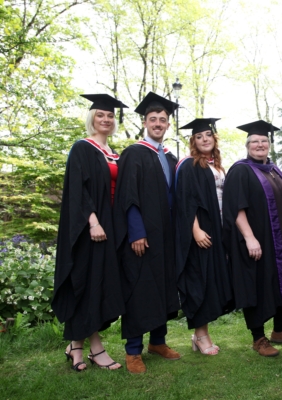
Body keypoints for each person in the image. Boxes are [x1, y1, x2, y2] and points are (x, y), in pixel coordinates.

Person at [52, 94, 127, 371]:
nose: (105, 119)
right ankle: (96, 349)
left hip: (109, 227)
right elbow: (78, 189)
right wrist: (93, 222)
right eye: (100, 115)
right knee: (87, 283)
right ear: (92, 119)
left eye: (110, 116)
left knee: (97, 284)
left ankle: (76, 346)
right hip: (89, 229)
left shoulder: (114, 153)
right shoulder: (82, 148)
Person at [222, 120, 282, 357]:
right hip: (258, 242)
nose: (260, 145)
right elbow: (236, 207)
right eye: (255, 141)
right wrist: (249, 237)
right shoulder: (240, 170)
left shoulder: (274, 169)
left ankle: (279, 330)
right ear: (248, 145)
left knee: (281, 285)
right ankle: (258, 338)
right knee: (256, 287)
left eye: (264, 141)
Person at [113, 92, 181, 374]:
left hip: (166, 235)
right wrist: (136, 232)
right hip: (143, 236)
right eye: (153, 119)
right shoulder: (134, 154)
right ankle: (133, 350)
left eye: (162, 120)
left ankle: (158, 342)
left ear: (168, 125)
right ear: (144, 122)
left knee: (163, 286)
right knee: (139, 289)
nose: (158, 124)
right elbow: (128, 196)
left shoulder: (170, 157)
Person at [175, 118, 234, 356]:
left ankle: (200, 335)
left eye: (208, 135)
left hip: (217, 232)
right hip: (201, 233)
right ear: (193, 142)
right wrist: (196, 230)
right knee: (201, 283)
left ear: (214, 138)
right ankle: (201, 336)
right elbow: (185, 200)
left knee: (212, 284)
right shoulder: (189, 165)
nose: (204, 139)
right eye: (199, 137)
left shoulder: (217, 166)